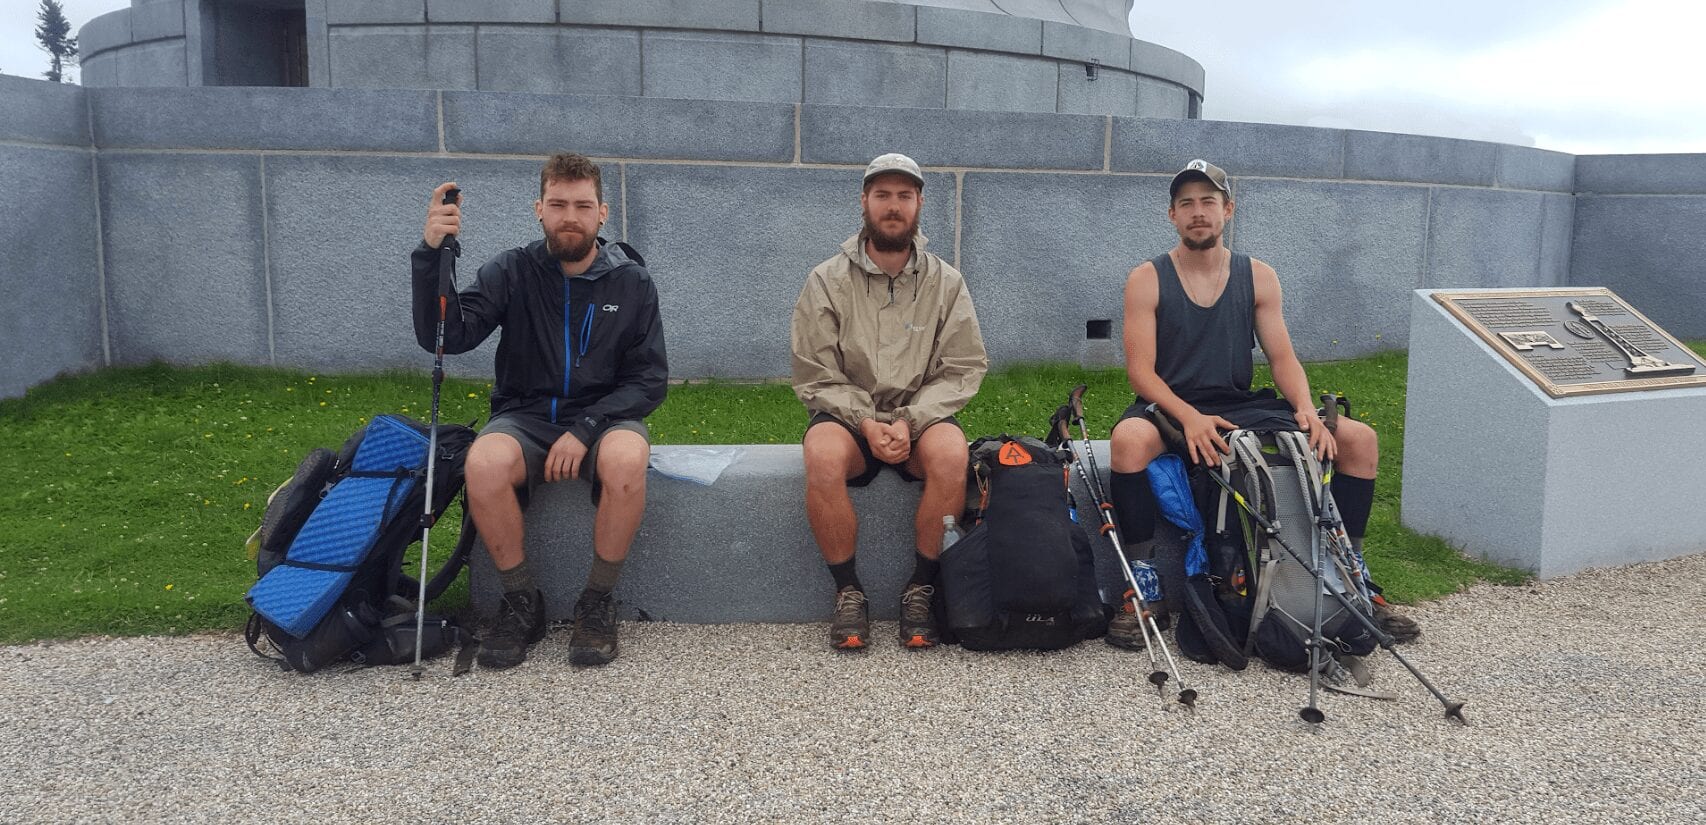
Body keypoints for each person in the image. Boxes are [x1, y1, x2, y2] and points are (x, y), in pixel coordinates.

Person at [1105, 159, 1418, 649]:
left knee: (1359, 439)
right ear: (1171, 215)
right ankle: (1141, 582)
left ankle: (1355, 570)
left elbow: (1282, 356)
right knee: (1127, 442)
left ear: (1227, 210)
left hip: (1237, 401)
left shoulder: (1259, 276)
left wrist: (1306, 409)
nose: (1198, 212)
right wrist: (1188, 417)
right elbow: (1140, 373)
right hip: (1171, 402)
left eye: (1208, 201)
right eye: (1186, 203)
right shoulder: (1146, 278)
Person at [412, 153, 668, 669]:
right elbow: (448, 335)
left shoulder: (631, 281)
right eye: (557, 204)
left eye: (581, 205)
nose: (569, 216)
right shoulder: (512, 270)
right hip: (525, 415)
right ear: (538, 208)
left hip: (605, 416)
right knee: (483, 463)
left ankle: (596, 602)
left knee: (624, 460)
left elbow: (649, 378)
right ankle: (521, 600)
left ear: (602, 212)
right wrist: (431, 254)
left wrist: (586, 427)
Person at [791, 152, 989, 651]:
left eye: (904, 196)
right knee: (821, 454)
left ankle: (920, 588)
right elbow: (815, 371)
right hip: (847, 419)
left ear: (920, 203)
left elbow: (963, 367)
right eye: (883, 195)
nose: (893, 206)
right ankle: (848, 593)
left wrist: (908, 420)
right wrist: (865, 422)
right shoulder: (826, 280)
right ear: (864, 202)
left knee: (950, 454)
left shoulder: (947, 282)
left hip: (919, 421)